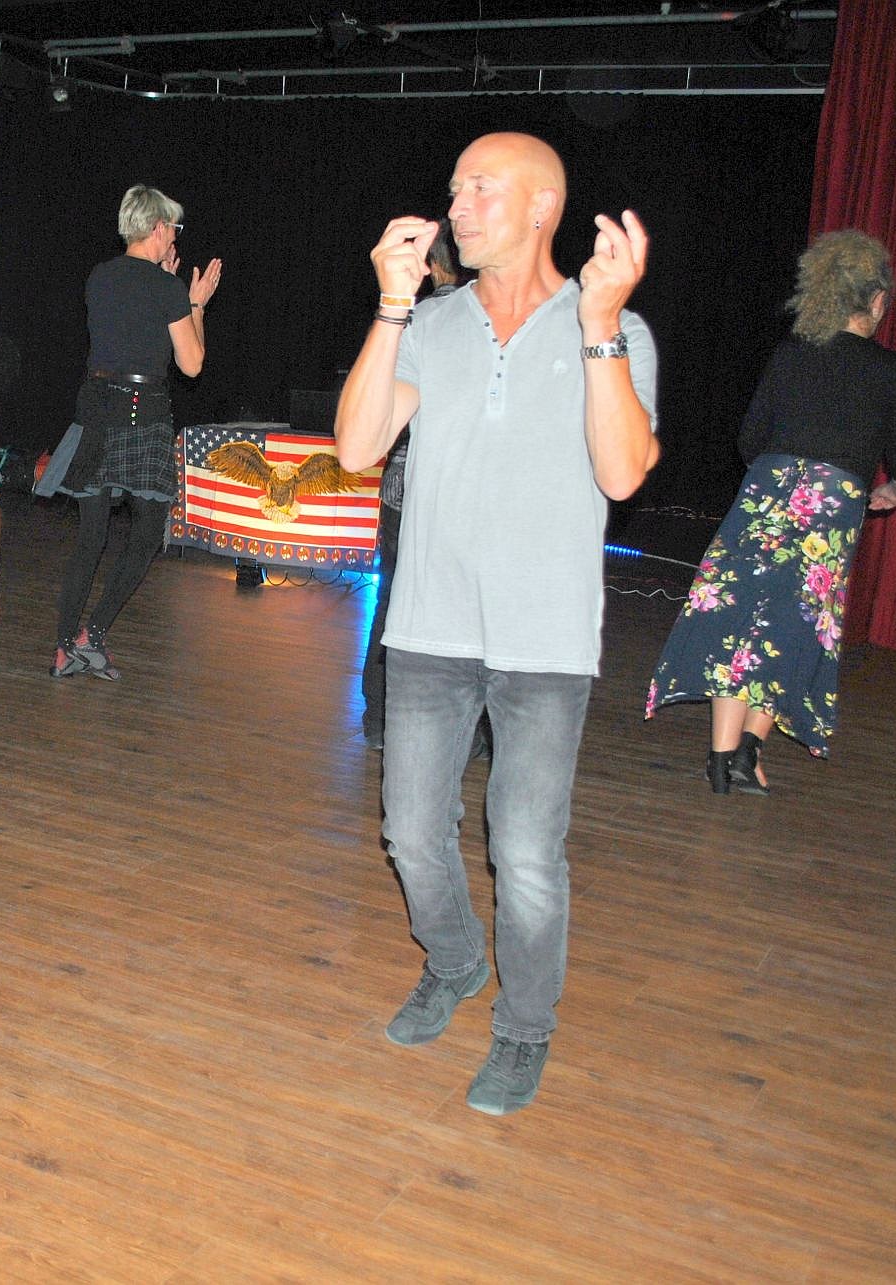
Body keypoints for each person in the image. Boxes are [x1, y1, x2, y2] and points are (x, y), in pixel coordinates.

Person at [334, 133, 659, 1114]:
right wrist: (392, 306)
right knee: (409, 833)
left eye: (481, 188)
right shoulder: (429, 323)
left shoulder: (615, 327)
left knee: (524, 856)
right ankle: (455, 961)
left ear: (543, 207)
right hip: (429, 627)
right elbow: (356, 447)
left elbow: (623, 474)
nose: (457, 206)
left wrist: (599, 324)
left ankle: (523, 1027)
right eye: (454, 189)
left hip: (545, 640)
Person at [646, 230, 896, 794]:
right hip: (831, 504)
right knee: (793, 623)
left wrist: (780, 481)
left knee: (738, 615)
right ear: (876, 301)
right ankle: (747, 752)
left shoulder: (791, 354)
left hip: (767, 492)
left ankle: (723, 757)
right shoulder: (892, 368)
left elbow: (750, 438)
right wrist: (895, 490)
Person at [39, 183, 220, 679]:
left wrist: (168, 289)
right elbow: (192, 364)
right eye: (173, 229)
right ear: (158, 228)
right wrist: (195, 304)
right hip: (143, 415)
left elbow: (130, 322)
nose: (175, 237)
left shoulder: (99, 277)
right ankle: (93, 633)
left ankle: (64, 646)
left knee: (91, 536)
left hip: (97, 408)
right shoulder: (167, 289)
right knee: (146, 533)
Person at [362, 218, 458, 749]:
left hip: (403, 490)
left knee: (393, 601)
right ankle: (457, 729)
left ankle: (379, 718)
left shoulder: (408, 319)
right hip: (448, 491)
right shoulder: (476, 320)